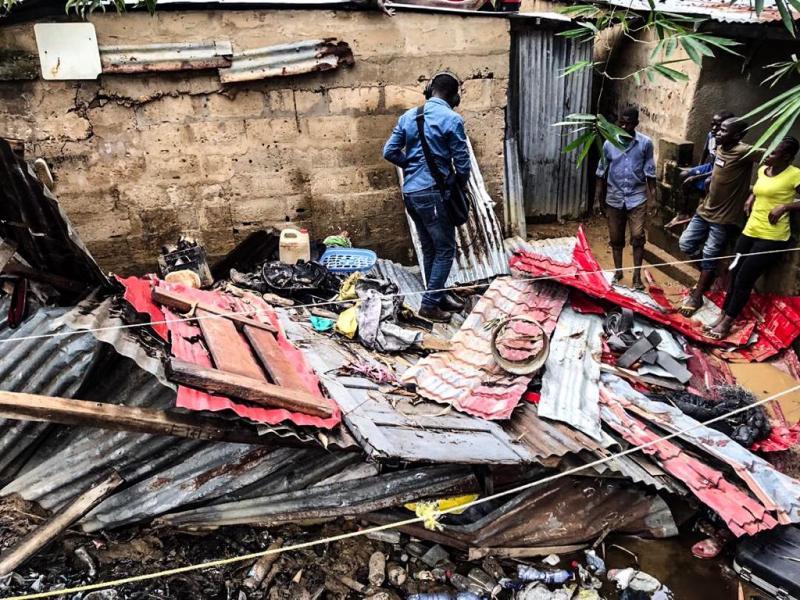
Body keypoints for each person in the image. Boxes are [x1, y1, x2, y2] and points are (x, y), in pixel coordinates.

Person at [383, 72, 470, 323]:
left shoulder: (408, 117)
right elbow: (462, 164)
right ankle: (430, 305)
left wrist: (410, 166)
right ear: (454, 95)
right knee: (445, 249)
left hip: (411, 193)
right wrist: (457, 185)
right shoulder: (452, 119)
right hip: (433, 195)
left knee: (431, 247)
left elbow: (389, 151)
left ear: (430, 91)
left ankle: (437, 293)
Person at [707, 137, 800, 339]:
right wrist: (751, 197)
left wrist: (786, 206)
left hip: (772, 236)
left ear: (786, 157)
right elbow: (759, 189)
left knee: (744, 277)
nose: (767, 156)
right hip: (750, 230)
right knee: (733, 271)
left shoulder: (795, 175)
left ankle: (728, 322)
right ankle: (722, 314)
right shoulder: (762, 170)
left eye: (773, 153)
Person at [678, 118, 763, 316]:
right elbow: (717, 171)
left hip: (723, 218)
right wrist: (697, 178)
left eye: (724, 130)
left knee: (710, 253)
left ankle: (698, 295)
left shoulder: (744, 151)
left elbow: (772, 158)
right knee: (686, 244)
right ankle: (710, 274)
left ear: (737, 135)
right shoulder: (720, 147)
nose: (718, 132)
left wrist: (755, 193)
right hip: (705, 210)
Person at [594, 106, 657, 290]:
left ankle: (637, 276)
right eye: (621, 122)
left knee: (638, 236)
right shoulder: (609, 144)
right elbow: (601, 174)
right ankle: (619, 271)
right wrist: (599, 200)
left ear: (636, 124)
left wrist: (653, 198)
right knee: (616, 238)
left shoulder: (645, 144)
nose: (623, 126)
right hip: (614, 198)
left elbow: (650, 174)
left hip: (637, 198)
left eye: (628, 123)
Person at [681, 110, 735, 195]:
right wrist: (699, 167)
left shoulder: (726, 144)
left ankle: (706, 202)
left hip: (720, 170)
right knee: (684, 174)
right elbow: (705, 151)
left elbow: (719, 168)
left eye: (718, 126)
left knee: (707, 182)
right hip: (710, 166)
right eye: (712, 124)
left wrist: (695, 177)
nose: (713, 128)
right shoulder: (711, 135)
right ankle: (689, 202)